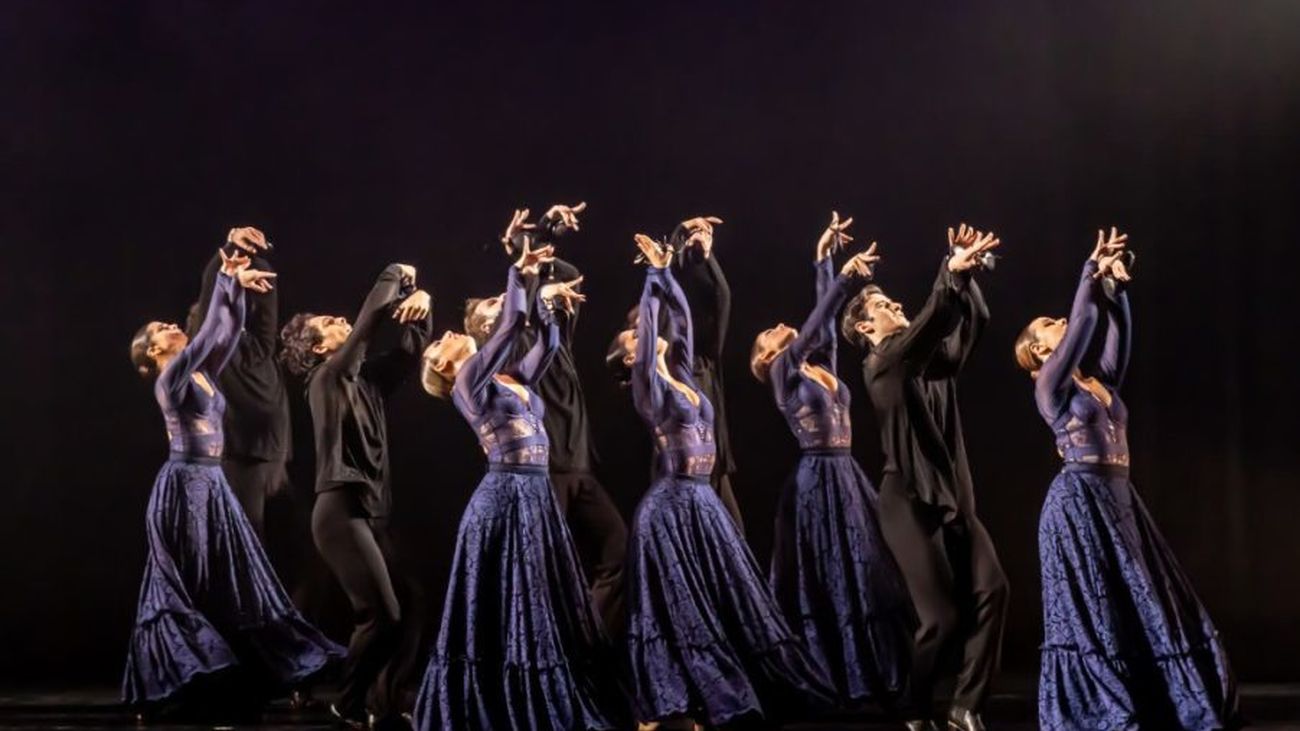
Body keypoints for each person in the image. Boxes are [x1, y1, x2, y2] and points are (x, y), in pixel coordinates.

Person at [1014, 228, 1238, 730]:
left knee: (1138, 596)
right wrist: (1088, 272)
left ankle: (1161, 697)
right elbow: (1085, 321)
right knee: (1097, 605)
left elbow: (1115, 331)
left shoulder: (1097, 384)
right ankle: (1101, 706)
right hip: (1079, 502)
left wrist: (1117, 290)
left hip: (1118, 497)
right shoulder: (1049, 385)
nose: (1060, 321)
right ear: (1036, 352)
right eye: (1048, 325)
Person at [614, 231, 834, 728]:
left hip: (701, 499)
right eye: (637, 339)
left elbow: (685, 326)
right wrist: (652, 280)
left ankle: (740, 677)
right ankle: (678, 697)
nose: (653, 335)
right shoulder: (647, 383)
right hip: (668, 506)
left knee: (728, 590)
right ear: (631, 354)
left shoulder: (687, 375)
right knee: (680, 604)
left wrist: (671, 272)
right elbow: (651, 332)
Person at [414, 226, 627, 730]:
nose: (446, 336)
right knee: (513, 597)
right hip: (505, 495)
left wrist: (551, 309)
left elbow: (546, 345)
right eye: (437, 346)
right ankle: (505, 695)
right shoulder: (469, 380)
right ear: (443, 370)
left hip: (534, 493)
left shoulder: (511, 377)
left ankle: (547, 688)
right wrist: (520, 273)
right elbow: (510, 327)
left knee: (540, 593)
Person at [124, 243, 342, 717]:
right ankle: (162, 680)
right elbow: (206, 339)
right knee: (185, 584)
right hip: (183, 486)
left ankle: (228, 676)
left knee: (224, 581)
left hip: (212, 487)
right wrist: (224, 279)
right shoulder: (171, 379)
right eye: (159, 330)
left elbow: (225, 335)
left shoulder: (202, 373)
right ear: (152, 355)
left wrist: (236, 290)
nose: (170, 327)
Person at [840, 224, 1007, 731]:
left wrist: (964, 274)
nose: (894, 306)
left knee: (992, 589)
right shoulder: (883, 363)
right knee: (940, 620)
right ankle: (915, 711)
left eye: (892, 301)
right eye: (883, 307)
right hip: (906, 500)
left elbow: (967, 322)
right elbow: (931, 323)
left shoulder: (929, 362)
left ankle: (964, 705)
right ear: (866, 329)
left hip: (953, 496)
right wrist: (946, 275)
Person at [750, 213, 914, 710]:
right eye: (770, 333)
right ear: (766, 356)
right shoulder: (784, 374)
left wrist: (823, 258)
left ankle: (878, 669)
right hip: (817, 479)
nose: (783, 327)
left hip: (846, 474)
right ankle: (835, 673)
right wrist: (842, 280)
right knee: (830, 576)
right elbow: (813, 327)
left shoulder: (818, 368)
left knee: (867, 570)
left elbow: (819, 334)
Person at [279, 263, 433, 727]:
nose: (340, 321)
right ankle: (346, 703)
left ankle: (383, 707)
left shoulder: (365, 381)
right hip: (340, 512)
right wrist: (395, 274)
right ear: (319, 348)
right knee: (381, 615)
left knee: (410, 607)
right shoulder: (326, 379)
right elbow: (368, 323)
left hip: (371, 511)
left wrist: (421, 303)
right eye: (328, 325)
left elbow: (409, 355)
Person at [464, 202, 628, 635]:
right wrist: (522, 251)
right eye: (490, 306)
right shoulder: (499, 359)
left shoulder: (545, 339)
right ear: (484, 329)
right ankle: (539, 643)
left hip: (578, 464)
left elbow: (563, 277)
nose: (501, 301)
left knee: (618, 549)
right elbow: (519, 309)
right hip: (542, 471)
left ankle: (586, 636)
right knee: (539, 567)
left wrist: (540, 237)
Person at [185, 226, 290, 538]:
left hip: (271, 453)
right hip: (239, 454)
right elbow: (209, 307)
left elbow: (267, 316)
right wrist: (230, 250)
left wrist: (251, 257)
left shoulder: (254, 349)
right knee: (244, 537)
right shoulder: (208, 354)